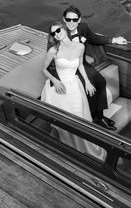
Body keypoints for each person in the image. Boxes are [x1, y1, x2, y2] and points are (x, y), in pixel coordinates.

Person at [48, 5, 127, 130]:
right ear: (64, 19)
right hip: (66, 70)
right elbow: (51, 61)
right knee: (86, 85)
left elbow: (94, 38)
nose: (71, 23)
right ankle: (92, 117)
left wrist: (113, 40)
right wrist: (55, 80)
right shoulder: (58, 33)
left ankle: (99, 116)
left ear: (79, 20)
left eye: (74, 20)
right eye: (68, 19)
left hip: (80, 64)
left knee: (100, 81)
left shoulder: (83, 28)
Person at [41, 22, 107, 161]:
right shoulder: (53, 50)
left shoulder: (80, 46)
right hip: (59, 88)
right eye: (53, 33)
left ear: (65, 29)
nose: (56, 34)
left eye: (58, 30)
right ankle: (69, 149)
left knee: (80, 117)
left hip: (74, 85)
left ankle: (86, 150)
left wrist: (88, 82)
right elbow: (44, 69)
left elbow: (81, 65)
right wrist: (55, 80)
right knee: (67, 122)